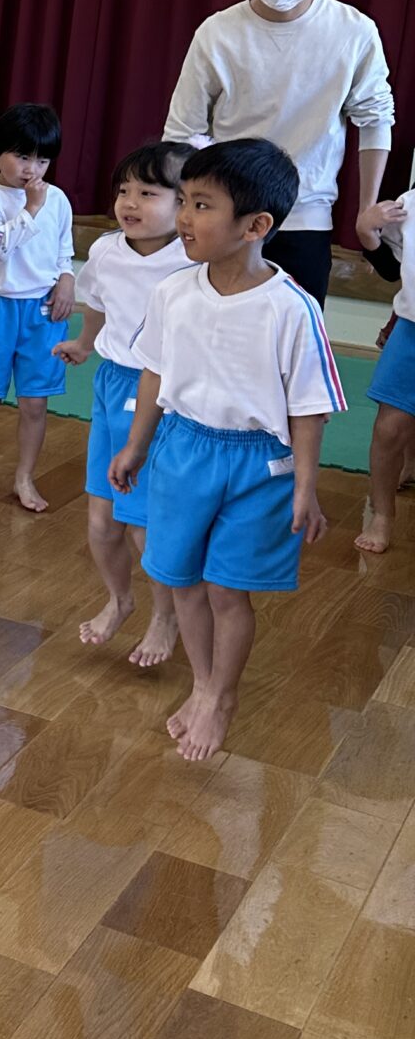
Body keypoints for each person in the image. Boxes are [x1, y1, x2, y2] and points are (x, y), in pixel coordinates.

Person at [110, 138, 342, 762]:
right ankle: (202, 684)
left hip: (258, 465)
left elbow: (309, 407)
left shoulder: (291, 309)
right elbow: (155, 371)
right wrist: (136, 446)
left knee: (226, 590)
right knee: (183, 581)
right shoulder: (173, 292)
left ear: (255, 226)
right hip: (183, 452)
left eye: (203, 205)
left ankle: (222, 696)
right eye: (184, 200)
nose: (185, 217)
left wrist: (305, 487)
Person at [165, 0, 393, 304]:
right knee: (210, 326)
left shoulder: (354, 30)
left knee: (294, 332)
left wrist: (367, 208)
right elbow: (182, 131)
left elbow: (375, 119)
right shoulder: (218, 32)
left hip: (306, 217)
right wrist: (187, 208)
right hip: (225, 214)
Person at [53, 141, 194, 664]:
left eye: (148, 193)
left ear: (185, 203)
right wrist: (85, 343)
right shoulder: (108, 250)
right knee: (101, 520)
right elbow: (99, 302)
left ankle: (165, 616)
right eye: (124, 190)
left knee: (143, 524)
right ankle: (119, 599)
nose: (130, 203)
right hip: (113, 384)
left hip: (160, 394)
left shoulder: (191, 261)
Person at [0, 103, 75, 512]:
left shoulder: (56, 198)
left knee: (35, 402)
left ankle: (25, 477)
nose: (32, 169)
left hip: (41, 312)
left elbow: (63, 249)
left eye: (42, 160)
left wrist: (67, 279)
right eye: (22, 156)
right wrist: (30, 208)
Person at [353, 188, 415, 555]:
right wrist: (366, 231)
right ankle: (382, 514)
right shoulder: (410, 204)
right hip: (411, 328)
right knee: (390, 427)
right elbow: (391, 268)